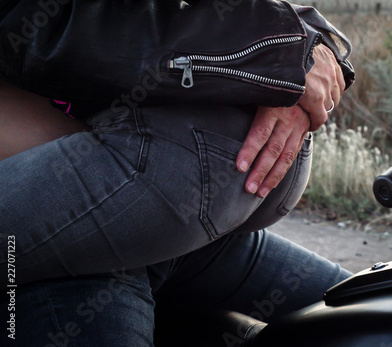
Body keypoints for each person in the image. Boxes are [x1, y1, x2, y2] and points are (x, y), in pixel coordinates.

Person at [0, 0, 354, 345]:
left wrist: (302, 47)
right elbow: (55, 28)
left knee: (374, 311)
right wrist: (283, 55)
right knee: (364, 314)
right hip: (143, 195)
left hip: (177, 198)